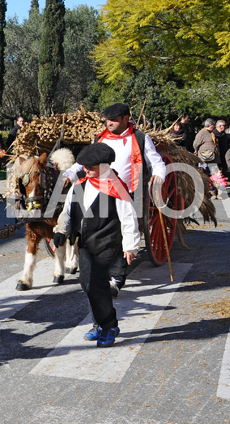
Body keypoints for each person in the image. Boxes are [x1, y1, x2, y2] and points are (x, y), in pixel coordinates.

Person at [62, 103, 166, 294]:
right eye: (107, 120)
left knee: (119, 232)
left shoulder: (140, 138)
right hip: (101, 189)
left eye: (114, 120)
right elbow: (86, 160)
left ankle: (116, 279)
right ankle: (97, 269)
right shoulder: (100, 138)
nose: (109, 123)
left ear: (126, 119)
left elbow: (156, 161)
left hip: (128, 191)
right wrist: (70, 173)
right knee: (102, 231)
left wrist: (158, 175)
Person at [53, 143, 139, 347]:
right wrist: (60, 230)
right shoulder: (80, 185)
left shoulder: (115, 186)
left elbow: (128, 218)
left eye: (91, 166)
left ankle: (109, 326)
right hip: (85, 244)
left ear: (105, 165)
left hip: (107, 243)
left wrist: (131, 246)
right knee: (86, 284)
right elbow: (68, 211)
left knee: (95, 283)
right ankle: (99, 323)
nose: (86, 169)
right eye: (85, 166)